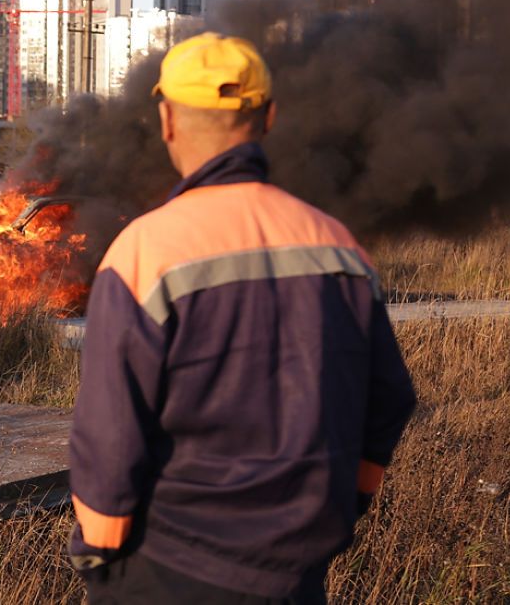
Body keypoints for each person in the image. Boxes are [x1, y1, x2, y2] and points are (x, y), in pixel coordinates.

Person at [67, 32, 417, 604]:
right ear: (269, 117)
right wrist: (345, 502)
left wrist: (100, 549)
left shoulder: (143, 253)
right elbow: (390, 398)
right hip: (297, 576)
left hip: (167, 568)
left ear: (168, 121)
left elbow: (111, 433)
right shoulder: (340, 249)